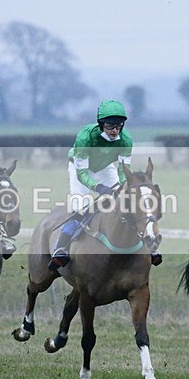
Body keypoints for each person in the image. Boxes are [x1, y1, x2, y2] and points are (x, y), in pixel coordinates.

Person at [48, 100, 137, 270]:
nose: (115, 130)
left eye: (119, 126)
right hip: (80, 169)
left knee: (123, 200)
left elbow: (123, 169)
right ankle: (61, 248)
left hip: (105, 167)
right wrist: (98, 187)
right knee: (81, 208)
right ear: (101, 124)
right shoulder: (85, 137)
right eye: (110, 126)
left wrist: (123, 185)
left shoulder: (126, 140)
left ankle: (140, 241)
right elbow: (82, 174)